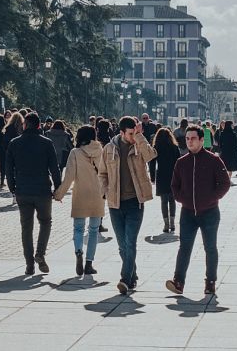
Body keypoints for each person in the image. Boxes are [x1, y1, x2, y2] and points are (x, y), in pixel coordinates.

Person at [165, 126, 230, 296]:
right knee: (184, 247)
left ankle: (210, 282)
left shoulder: (214, 160)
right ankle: (178, 281)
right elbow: (174, 185)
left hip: (209, 212)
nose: (190, 141)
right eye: (187, 138)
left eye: (193, 138)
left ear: (202, 140)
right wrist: (181, 198)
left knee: (210, 247)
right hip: (187, 212)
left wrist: (212, 198)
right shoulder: (182, 162)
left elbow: (225, 183)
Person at [98, 116, 157, 294]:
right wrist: (106, 192)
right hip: (115, 203)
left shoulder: (139, 146)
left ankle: (124, 278)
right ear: (122, 132)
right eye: (130, 133)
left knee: (130, 242)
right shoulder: (109, 149)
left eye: (135, 132)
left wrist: (139, 136)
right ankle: (133, 275)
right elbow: (102, 173)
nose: (133, 136)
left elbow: (151, 155)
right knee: (122, 245)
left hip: (135, 202)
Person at [5, 112, 61, 275]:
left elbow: (8, 168)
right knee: (45, 222)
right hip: (42, 190)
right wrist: (58, 188)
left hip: (23, 190)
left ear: (24, 125)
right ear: (39, 125)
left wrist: (12, 186)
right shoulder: (46, 143)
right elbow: (54, 168)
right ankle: (40, 254)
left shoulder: (15, 143)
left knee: (26, 227)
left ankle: (29, 264)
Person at [54, 125, 105, 276]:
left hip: (80, 194)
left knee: (78, 229)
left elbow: (69, 177)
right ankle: (89, 263)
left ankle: (78, 252)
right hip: (97, 195)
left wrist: (58, 194)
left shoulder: (75, 153)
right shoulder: (101, 151)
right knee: (94, 230)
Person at [148, 127, 181, 233]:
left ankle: (166, 224)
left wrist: (152, 177)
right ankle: (172, 222)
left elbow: (152, 163)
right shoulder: (174, 147)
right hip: (173, 175)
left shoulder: (156, 147)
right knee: (172, 200)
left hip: (161, 175)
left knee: (163, 201)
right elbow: (179, 162)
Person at [0, 113, 22, 190]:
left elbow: (4, 141)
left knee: (10, 170)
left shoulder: (8, 128)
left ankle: (13, 188)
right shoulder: (22, 128)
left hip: (10, 151)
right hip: (20, 152)